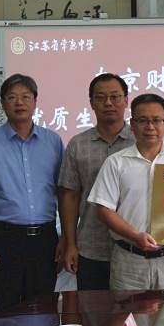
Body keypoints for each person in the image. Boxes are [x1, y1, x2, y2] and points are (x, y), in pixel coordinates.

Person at [0, 74, 64, 309]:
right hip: (4, 239)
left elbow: (64, 192)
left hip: (45, 239)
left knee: (43, 308)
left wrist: (66, 239)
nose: (19, 103)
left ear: (35, 101)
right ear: (3, 103)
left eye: (25, 97)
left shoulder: (53, 142)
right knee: (4, 308)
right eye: (12, 97)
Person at [88, 94, 164, 290]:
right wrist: (136, 236)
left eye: (157, 120)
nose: (150, 126)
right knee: (129, 311)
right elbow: (104, 210)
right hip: (130, 260)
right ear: (132, 125)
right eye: (143, 120)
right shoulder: (116, 162)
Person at [58, 73, 134, 290]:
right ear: (91, 103)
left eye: (115, 97)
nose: (108, 103)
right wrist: (70, 244)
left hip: (133, 248)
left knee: (133, 310)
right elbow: (70, 197)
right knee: (92, 309)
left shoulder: (140, 142)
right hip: (91, 248)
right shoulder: (78, 144)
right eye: (100, 97)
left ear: (126, 100)